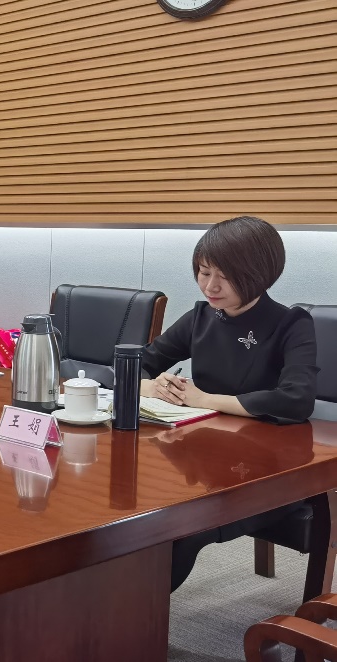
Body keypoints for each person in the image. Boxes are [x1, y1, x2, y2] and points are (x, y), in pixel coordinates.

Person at [136, 215, 318, 591]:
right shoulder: (202, 317)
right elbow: (139, 362)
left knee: (179, 532)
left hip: (271, 472)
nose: (210, 286)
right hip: (206, 456)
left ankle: (134, 613)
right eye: (204, 273)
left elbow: (296, 400)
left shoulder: (291, 324)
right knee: (142, 514)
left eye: (225, 276)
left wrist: (205, 399)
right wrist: (150, 386)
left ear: (259, 274)